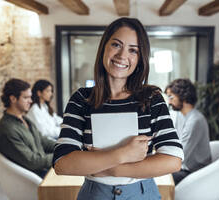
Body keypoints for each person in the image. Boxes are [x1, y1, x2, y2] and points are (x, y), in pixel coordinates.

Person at [53, 17, 184, 200]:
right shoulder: (82, 99)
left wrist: (113, 169)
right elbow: (62, 163)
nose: (122, 55)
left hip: (142, 194)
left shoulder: (152, 99)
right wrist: (122, 154)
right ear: (104, 48)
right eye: (116, 45)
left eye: (133, 50)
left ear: (140, 59)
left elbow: (173, 160)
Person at [0, 78, 56, 178]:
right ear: (13, 99)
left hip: (43, 168)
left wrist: (64, 147)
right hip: (35, 177)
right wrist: (60, 155)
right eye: (26, 98)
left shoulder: (25, 119)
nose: (31, 101)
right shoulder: (7, 129)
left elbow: (42, 141)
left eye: (30, 97)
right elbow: (32, 162)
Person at [165, 78, 212, 184]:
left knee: (159, 178)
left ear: (183, 97)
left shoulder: (195, 121)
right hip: (185, 166)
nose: (169, 101)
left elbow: (180, 156)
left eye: (171, 97)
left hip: (194, 172)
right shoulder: (184, 116)